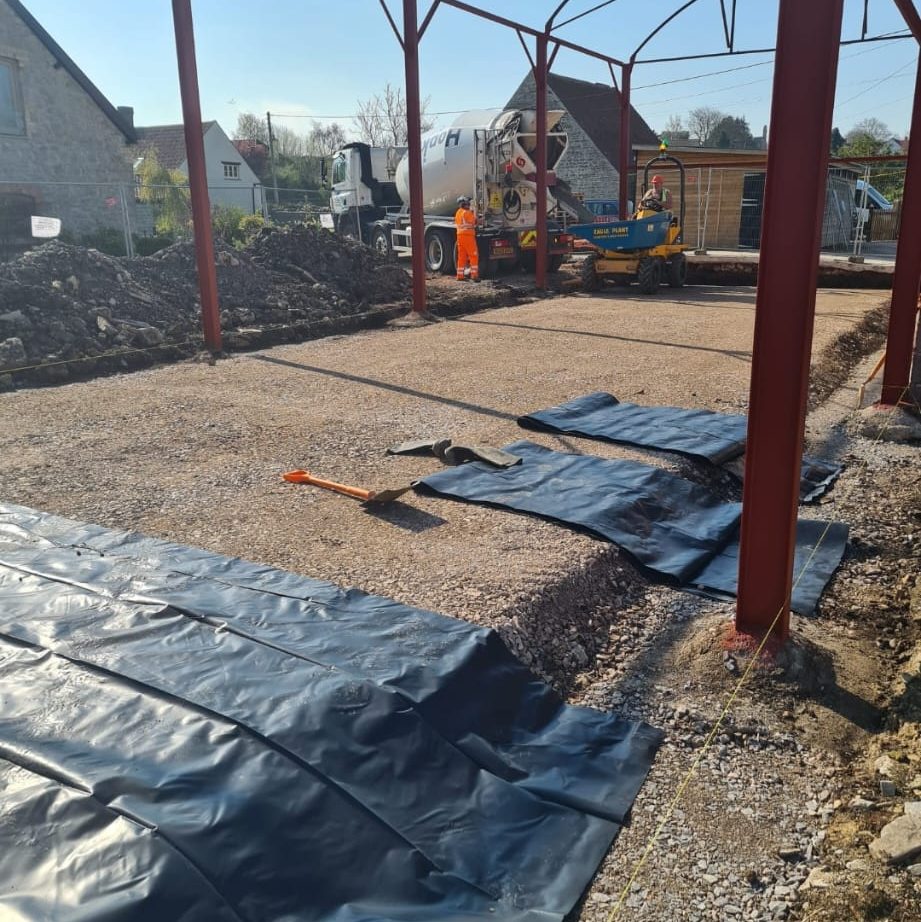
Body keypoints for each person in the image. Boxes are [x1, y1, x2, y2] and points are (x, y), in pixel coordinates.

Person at [454, 195, 479, 282]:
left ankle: (459, 275)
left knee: (461, 257)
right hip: (468, 236)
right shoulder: (467, 213)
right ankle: (474, 275)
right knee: (473, 255)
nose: (468, 205)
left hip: (460, 236)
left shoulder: (458, 212)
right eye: (468, 203)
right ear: (465, 204)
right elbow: (474, 222)